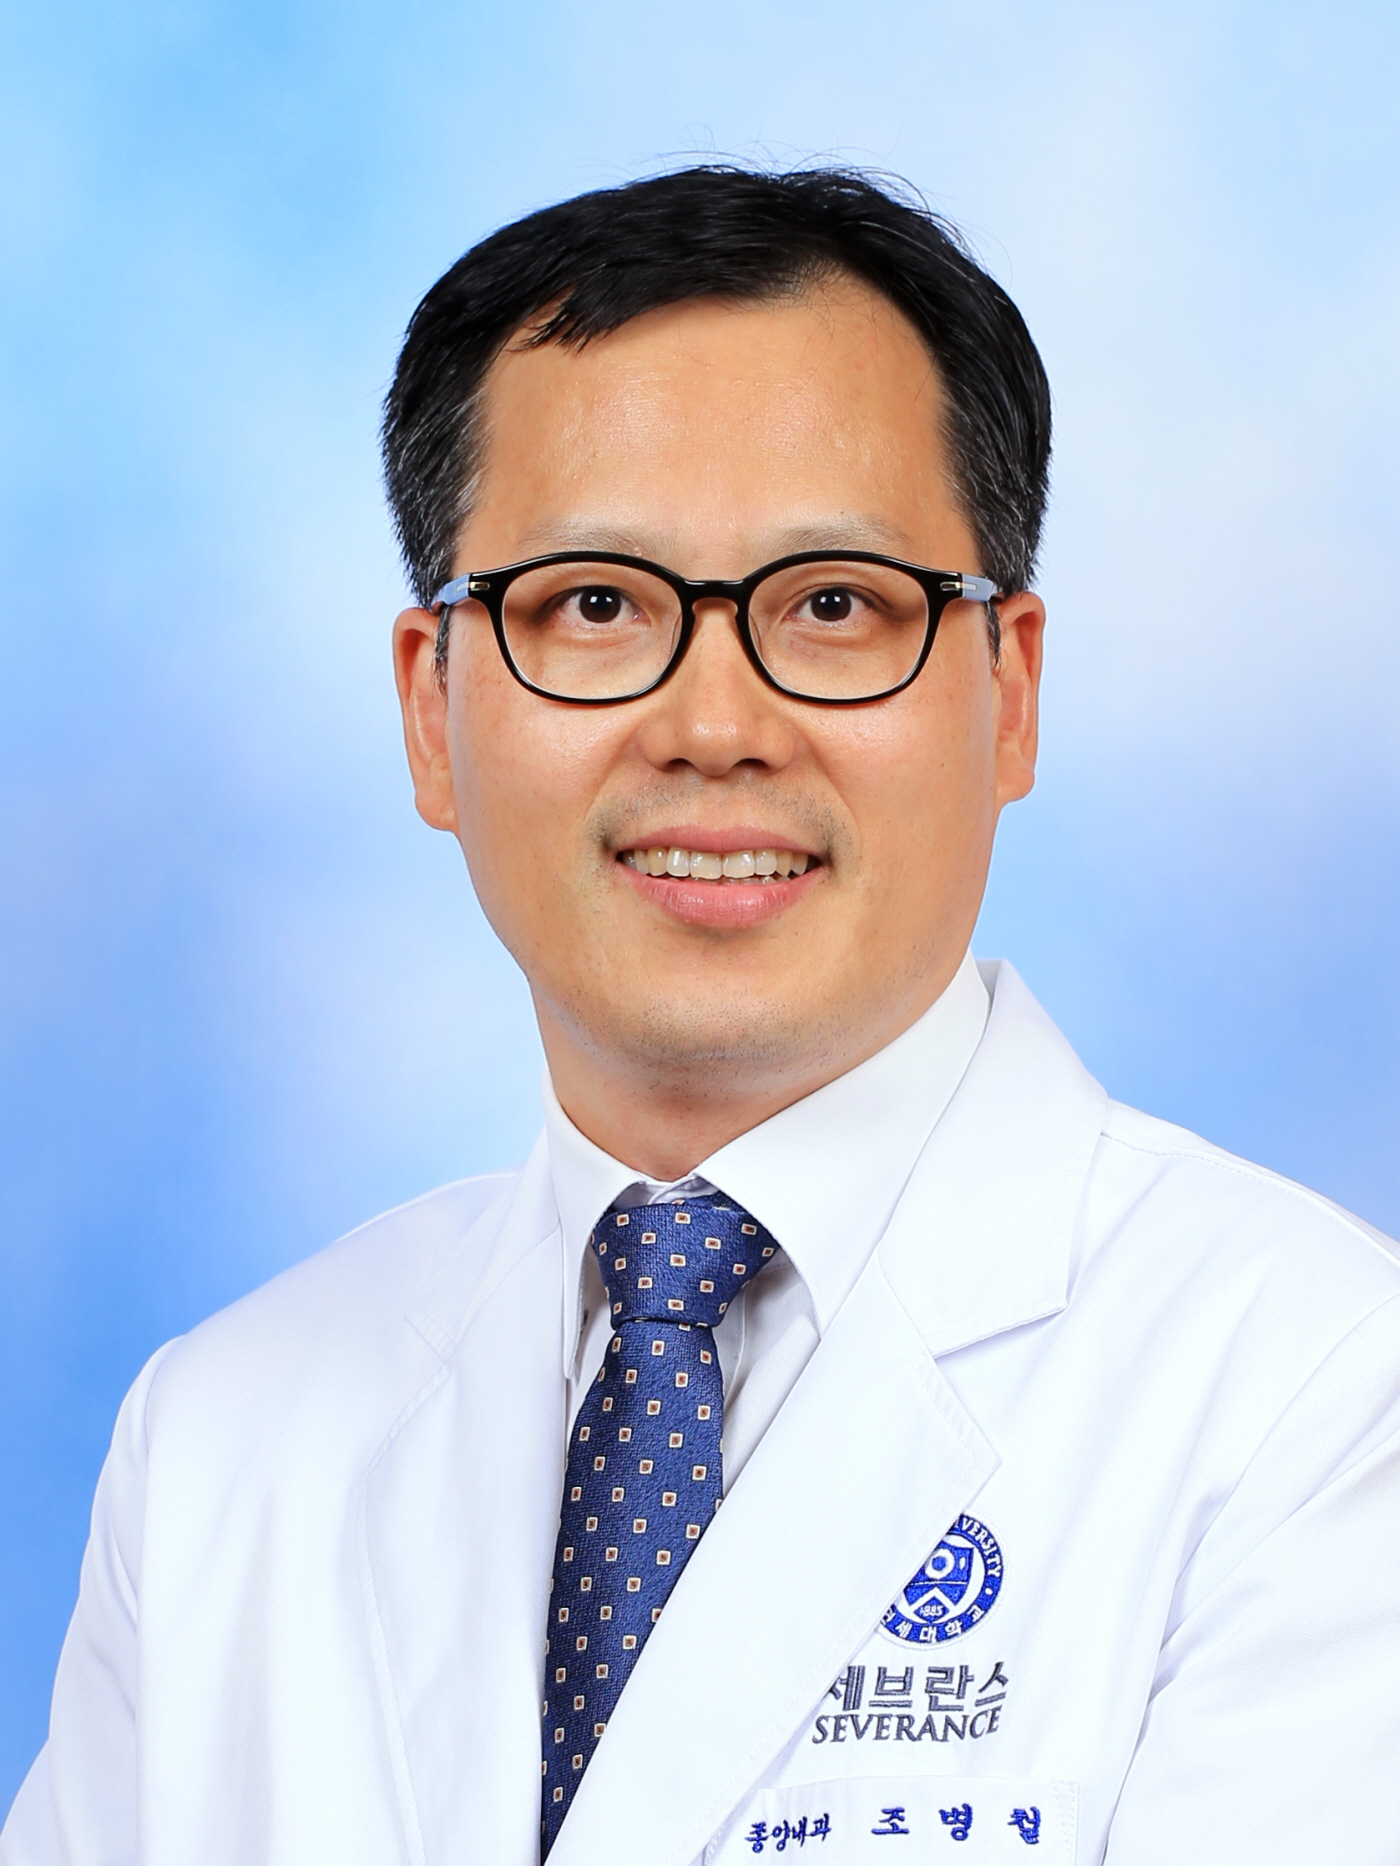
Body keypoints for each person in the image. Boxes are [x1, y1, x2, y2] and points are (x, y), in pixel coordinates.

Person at [4, 165, 1399, 1866]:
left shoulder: (1317, 1400)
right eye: (594, 605)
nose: (716, 726)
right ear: (432, 712)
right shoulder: (220, 1445)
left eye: (836, 604)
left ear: (1011, 691)